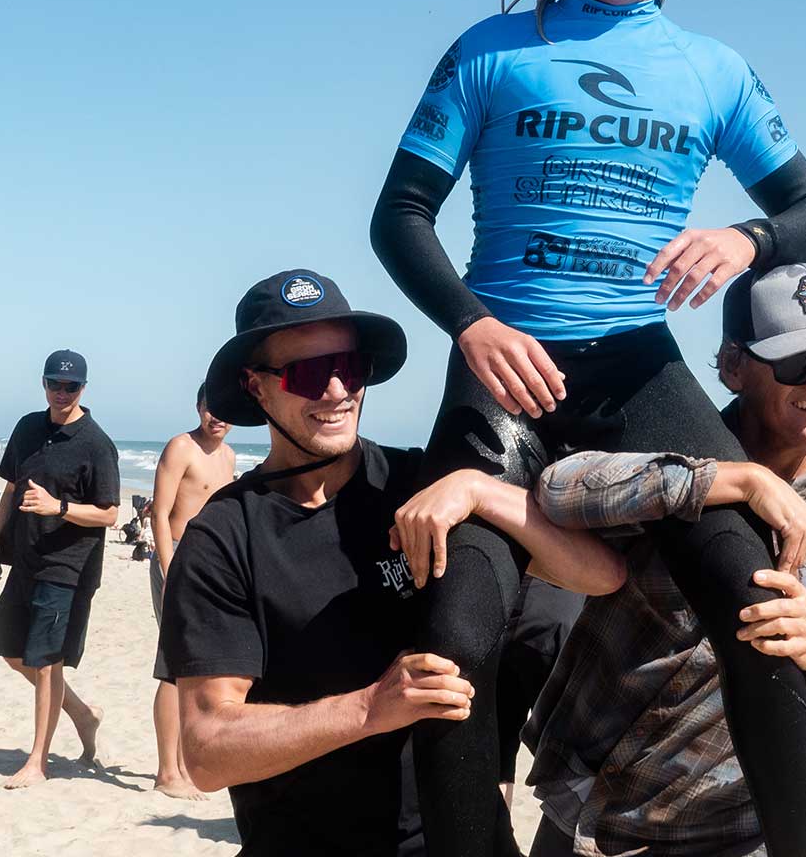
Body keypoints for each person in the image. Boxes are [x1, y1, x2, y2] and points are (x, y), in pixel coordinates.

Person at [369, 0, 806, 855]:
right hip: (507, 374)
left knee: (757, 591)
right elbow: (399, 214)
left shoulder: (713, 71)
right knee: (452, 643)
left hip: (637, 370)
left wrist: (745, 235)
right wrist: (473, 323)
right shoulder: (490, 52)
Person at [160, 269, 625, 857]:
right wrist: (368, 708)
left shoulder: (423, 485)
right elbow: (204, 751)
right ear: (256, 388)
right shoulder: (223, 538)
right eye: (306, 374)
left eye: (349, 369)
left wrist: (482, 493)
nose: (335, 391)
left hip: (466, 836)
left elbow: (598, 574)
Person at [519, 265, 806, 855]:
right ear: (733, 366)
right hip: (583, 809)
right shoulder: (667, 442)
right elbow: (557, 489)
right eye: (797, 362)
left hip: (731, 828)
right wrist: (722, 482)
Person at [0, 349, 120, 789]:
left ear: (83, 388)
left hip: (67, 566)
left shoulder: (96, 443)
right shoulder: (27, 428)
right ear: (43, 384)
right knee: (10, 650)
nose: (62, 393)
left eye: (71, 386)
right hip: (24, 557)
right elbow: (9, 491)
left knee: (46, 664)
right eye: (54, 385)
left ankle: (37, 762)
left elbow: (110, 514)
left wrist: (59, 507)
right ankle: (82, 712)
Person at [146, 384, 237, 800]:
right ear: (198, 407)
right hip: (178, 559)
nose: (216, 417)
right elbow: (160, 515)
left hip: (210, 565)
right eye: (209, 408)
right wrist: (169, 572)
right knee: (175, 667)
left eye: (223, 410)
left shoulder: (229, 457)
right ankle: (167, 771)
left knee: (198, 665)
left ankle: (184, 765)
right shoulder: (181, 447)